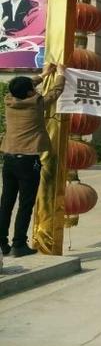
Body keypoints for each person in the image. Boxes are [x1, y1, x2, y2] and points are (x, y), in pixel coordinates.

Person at [0, 63, 65, 257]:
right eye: (32, 88)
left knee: (6, 203)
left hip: (9, 159)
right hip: (28, 161)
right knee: (26, 204)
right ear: (29, 93)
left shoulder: (9, 100)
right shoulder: (36, 104)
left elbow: (24, 86)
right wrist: (60, 74)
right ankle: (19, 244)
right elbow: (56, 92)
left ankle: (2, 243)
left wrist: (44, 74)